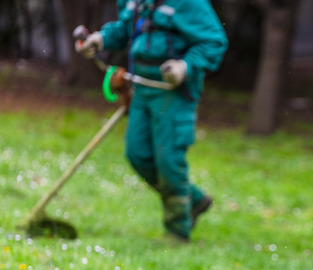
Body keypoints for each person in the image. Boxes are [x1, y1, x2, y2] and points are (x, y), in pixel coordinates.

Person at [75, 0, 228, 242]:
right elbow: (127, 29)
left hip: (174, 92)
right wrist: (101, 39)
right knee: (138, 154)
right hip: (142, 90)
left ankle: (177, 230)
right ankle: (194, 200)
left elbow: (214, 41)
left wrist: (185, 66)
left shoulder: (188, 4)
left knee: (168, 160)